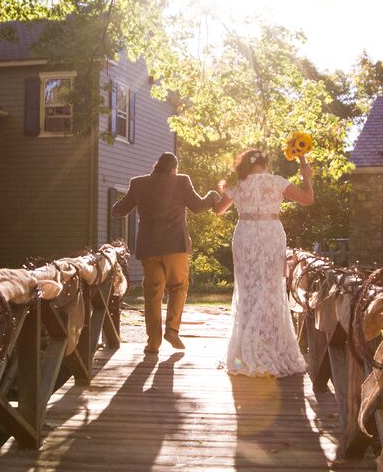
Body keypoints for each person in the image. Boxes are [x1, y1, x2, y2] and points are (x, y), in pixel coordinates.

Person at [213, 148, 314, 376]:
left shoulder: (238, 183)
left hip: (245, 234)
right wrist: (306, 178)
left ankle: (242, 353)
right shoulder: (277, 182)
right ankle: (269, 346)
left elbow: (219, 210)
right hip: (271, 234)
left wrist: (216, 195)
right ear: (265, 163)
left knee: (247, 290)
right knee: (270, 288)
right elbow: (308, 199)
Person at [112, 152, 219, 355]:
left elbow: (119, 210)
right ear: (173, 168)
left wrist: (118, 205)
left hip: (149, 247)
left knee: (153, 293)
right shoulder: (182, 181)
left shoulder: (138, 183)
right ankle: (172, 330)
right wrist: (212, 196)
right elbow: (197, 207)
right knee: (178, 287)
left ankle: (153, 342)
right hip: (175, 245)